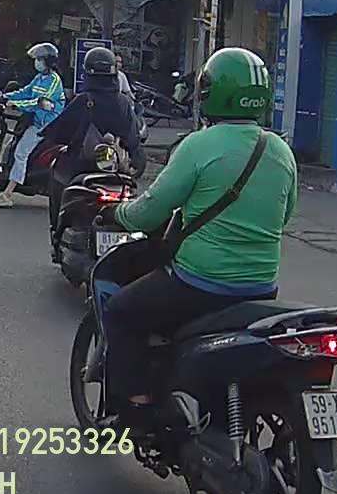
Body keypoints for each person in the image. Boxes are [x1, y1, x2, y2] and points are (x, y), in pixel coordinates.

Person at [99, 47, 297, 430]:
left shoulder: (199, 145)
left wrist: (117, 213)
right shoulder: (281, 151)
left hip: (200, 285)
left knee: (121, 312)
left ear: (211, 93)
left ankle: (137, 411)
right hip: (261, 288)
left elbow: (150, 212)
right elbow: (283, 216)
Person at [39, 46, 146, 262]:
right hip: (120, 172)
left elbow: (60, 132)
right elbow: (134, 138)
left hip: (82, 168)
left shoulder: (83, 100)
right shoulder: (124, 102)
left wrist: (48, 137)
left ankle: (57, 235)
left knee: (56, 175)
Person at [0, 43, 66, 208]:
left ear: (48, 61)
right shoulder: (40, 78)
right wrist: (4, 96)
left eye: (39, 59)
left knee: (20, 153)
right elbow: (25, 92)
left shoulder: (54, 81)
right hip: (33, 119)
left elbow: (38, 102)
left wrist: (16, 104)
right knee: (11, 144)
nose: (36, 62)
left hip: (45, 125)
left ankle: (7, 194)